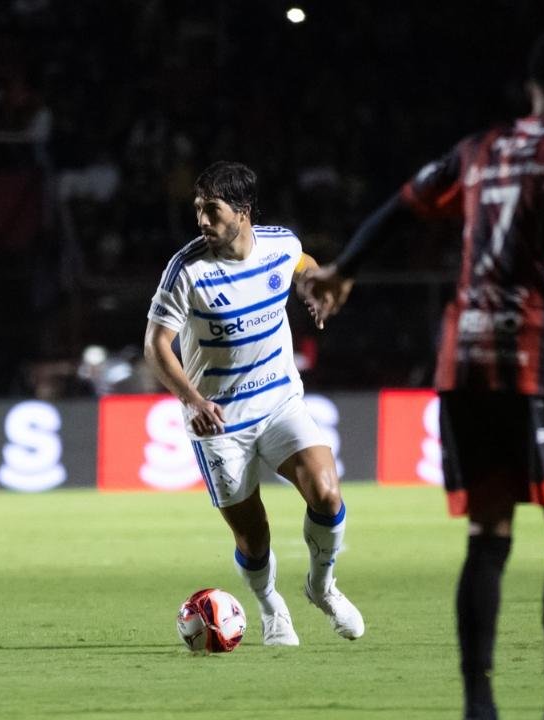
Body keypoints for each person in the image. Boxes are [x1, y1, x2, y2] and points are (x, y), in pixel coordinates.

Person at [303, 29, 544, 720]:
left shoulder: (478, 149)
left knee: (489, 534)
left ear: (532, 88)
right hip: (541, 357)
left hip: (465, 358)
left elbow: (400, 206)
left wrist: (341, 272)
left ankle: (479, 703)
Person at [143, 161, 364, 647]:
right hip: (219, 420)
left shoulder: (279, 245)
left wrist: (312, 286)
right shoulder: (187, 269)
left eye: (212, 210)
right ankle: (270, 607)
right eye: (197, 209)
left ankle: (322, 587)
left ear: (242, 212)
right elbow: (156, 345)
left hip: (280, 401)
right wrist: (193, 399)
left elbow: (303, 263)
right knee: (253, 536)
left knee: (327, 493)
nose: (201, 220)